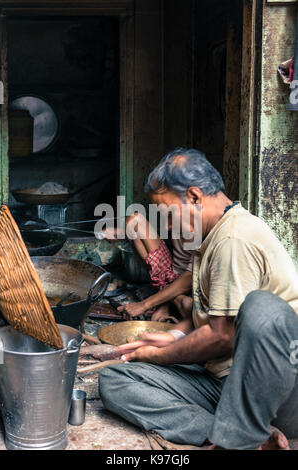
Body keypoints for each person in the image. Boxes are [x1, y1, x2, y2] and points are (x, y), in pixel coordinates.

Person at [99, 148, 298, 450]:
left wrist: (156, 356)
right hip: (225, 381)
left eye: (166, 214)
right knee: (115, 380)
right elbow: (212, 319)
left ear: (193, 196)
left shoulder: (234, 239)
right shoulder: (212, 238)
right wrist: (173, 337)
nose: (166, 227)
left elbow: (222, 337)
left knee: (261, 309)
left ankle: (241, 431)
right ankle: (245, 438)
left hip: (276, 394)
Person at [103, 212, 193, 322]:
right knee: (134, 222)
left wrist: (144, 305)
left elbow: (190, 278)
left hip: (190, 283)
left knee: (187, 305)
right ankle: (169, 300)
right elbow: (169, 240)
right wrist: (122, 234)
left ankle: (169, 301)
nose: (167, 226)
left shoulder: (203, 219)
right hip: (170, 274)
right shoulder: (176, 209)